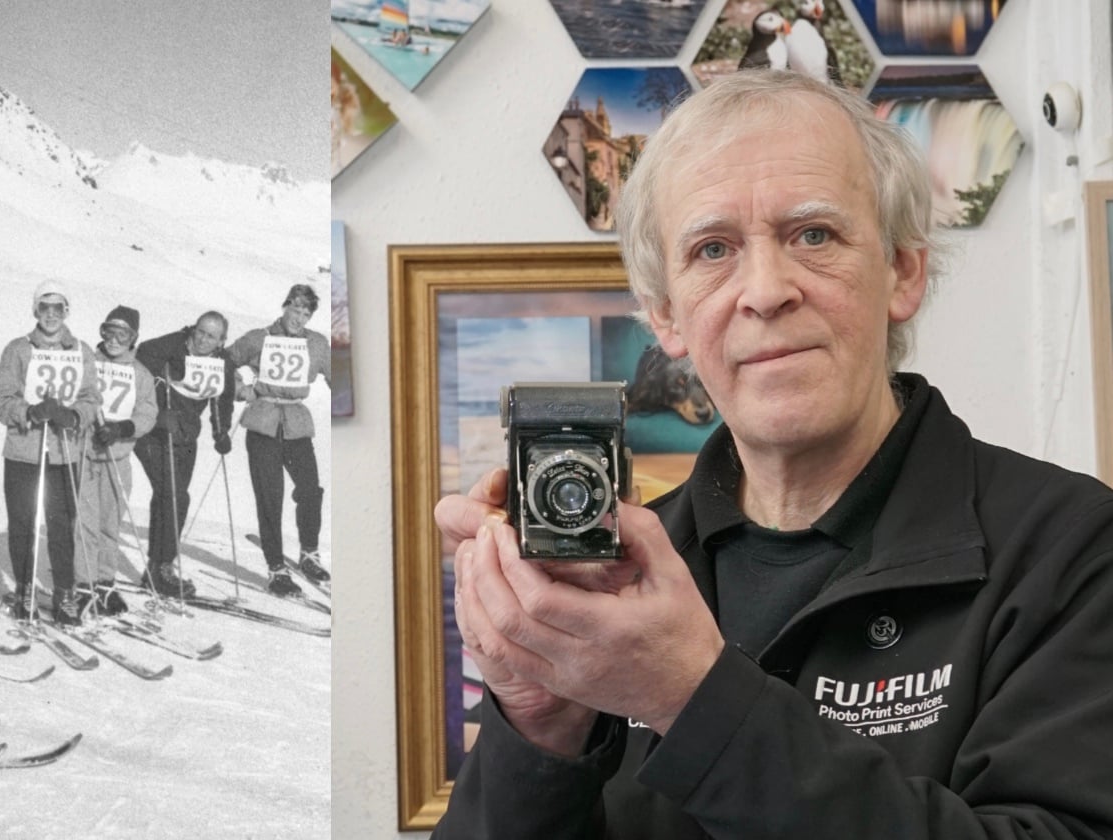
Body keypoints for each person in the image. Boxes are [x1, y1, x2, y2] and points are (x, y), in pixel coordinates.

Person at [432, 70, 1113, 838]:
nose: (765, 290)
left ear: (903, 272)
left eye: (813, 235)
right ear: (666, 316)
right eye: (713, 249)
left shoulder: (1075, 551)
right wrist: (539, 727)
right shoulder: (609, 579)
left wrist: (694, 701)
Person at [0, 284, 100, 624]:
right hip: (24, 449)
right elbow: (2, 397)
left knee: (62, 523)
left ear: (67, 310)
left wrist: (74, 415)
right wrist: (30, 412)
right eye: (44, 307)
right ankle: (24, 587)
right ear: (35, 311)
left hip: (64, 451)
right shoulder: (18, 349)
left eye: (57, 307)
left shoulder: (82, 351)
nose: (50, 314)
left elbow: (91, 397)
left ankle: (64, 592)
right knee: (22, 520)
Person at [227, 285, 331, 596]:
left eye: (306, 313)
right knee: (270, 495)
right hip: (262, 422)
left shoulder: (317, 344)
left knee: (310, 489)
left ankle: (309, 553)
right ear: (284, 307)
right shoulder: (259, 338)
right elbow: (226, 361)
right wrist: (241, 389)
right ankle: (276, 568)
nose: (298, 317)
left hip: (296, 424)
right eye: (295, 309)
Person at [133, 311, 237, 598]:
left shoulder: (222, 363)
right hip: (154, 433)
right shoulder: (174, 345)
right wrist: (156, 409)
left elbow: (223, 400)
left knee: (168, 496)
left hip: (186, 436)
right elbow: (143, 356)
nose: (203, 339)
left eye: (211, 336)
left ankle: (155, 569)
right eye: (200, 331)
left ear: (221, 341)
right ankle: (163, 567)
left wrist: (222, 431)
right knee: (176, 495)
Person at [80, 305, 158, 616]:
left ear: (133, 338)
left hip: (118, 456)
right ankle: (83, 584)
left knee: (110, 523)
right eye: (108, 331)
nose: (113, 339)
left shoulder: (140, 374)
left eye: (122, 334)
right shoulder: (87, 362)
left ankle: (104, 582)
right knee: (84, 523)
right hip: (85, 455)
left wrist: (123, 428)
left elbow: (147, 413)